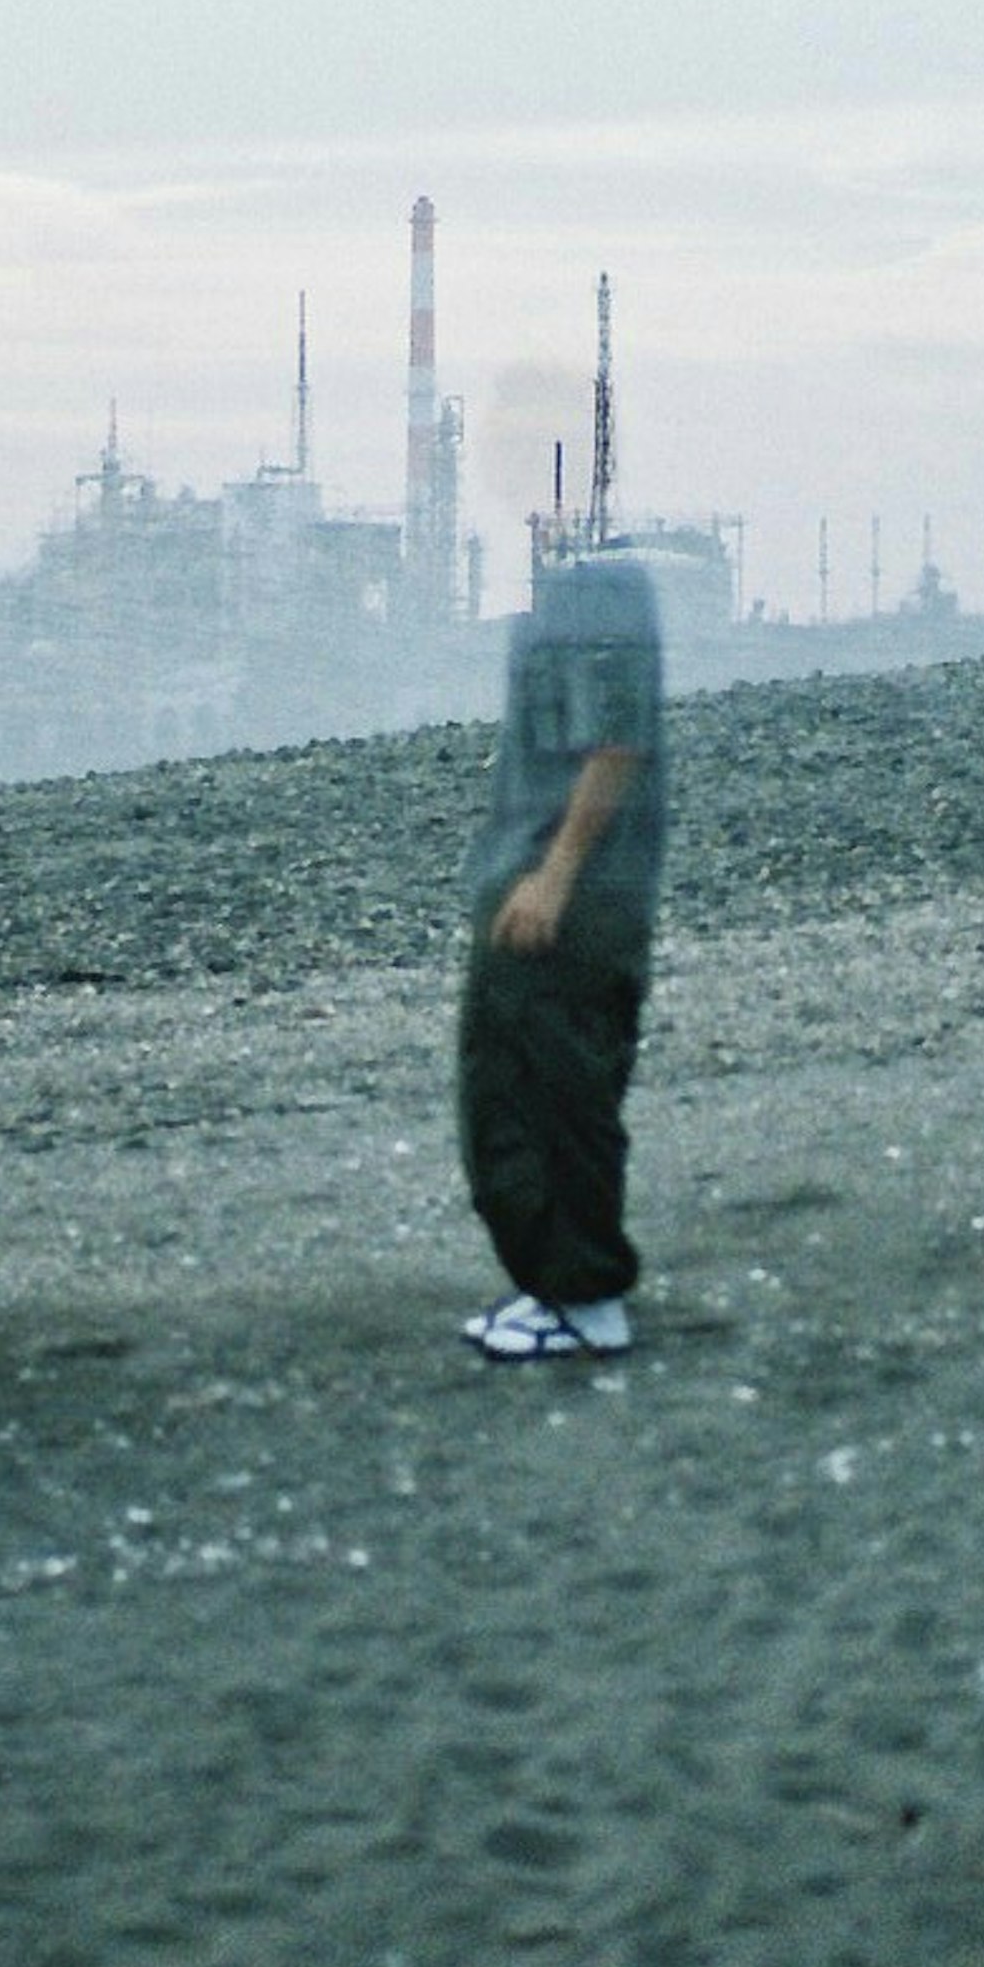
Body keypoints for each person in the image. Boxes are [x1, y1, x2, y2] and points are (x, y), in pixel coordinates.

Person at [456, 545, 667, 1361]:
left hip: (570, 902)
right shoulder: (561, 590)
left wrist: (554, 876)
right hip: (538, 884)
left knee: (559, 1094)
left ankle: (586, 1299)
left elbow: (616, 743)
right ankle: (554, 1286)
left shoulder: (599, 591)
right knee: (509, 1090)